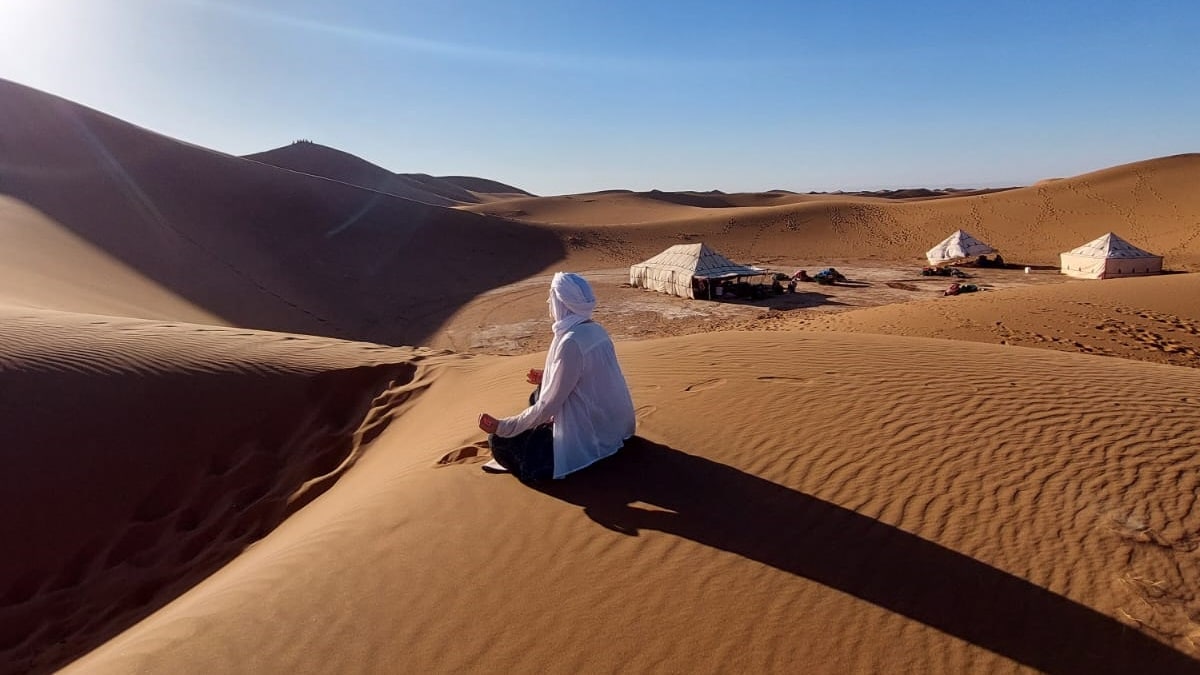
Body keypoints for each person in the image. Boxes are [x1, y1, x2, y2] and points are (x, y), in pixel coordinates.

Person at [477, 272, 636, 482]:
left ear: (561, 303)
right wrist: (549, 376)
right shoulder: (597, 330)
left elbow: (547, 407)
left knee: (498, 441)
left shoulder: (571, 342)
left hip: (589, 440)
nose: (548, 302)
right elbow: (591, 375)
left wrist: (503, 427)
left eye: (551, 297)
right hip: (613, 428)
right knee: (537, 394)